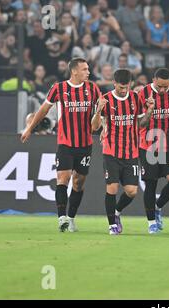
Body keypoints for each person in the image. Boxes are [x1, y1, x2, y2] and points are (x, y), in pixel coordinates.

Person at [21, 58, 105, 232]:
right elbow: (43, 109)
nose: (88, 72)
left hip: (85, 144)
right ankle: (61, 218)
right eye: (84, 69)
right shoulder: (59, 88)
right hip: (65, 143)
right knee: (63, 179)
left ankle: (72, 218)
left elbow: (102, 113)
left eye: (88, 69)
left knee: (78, 183)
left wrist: (105, 127)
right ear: (74, 71)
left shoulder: (93, 89)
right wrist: (30, 128)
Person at [91, 69, 140, 235]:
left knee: (131, 191)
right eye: (120, 87)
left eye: (126, 87)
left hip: (131, 151)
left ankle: (117, 212)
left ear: (130, 85)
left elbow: (143, 122)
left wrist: (148, 110)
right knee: (112, 188)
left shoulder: (136, 98)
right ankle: (112, 225)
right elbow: (94, 127)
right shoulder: (106, 100)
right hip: (111, 150)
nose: (123, 90)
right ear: (114, 84)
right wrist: (98, 111)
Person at [138, 68, 169, 234]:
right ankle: (151, 223)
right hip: (148, 145)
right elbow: (140, 125)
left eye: (166, 86)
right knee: (151, 183)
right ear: (153, 80)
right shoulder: (142, 94)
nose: (163, 90)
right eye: (159, 87)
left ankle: (157, 207)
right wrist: (150, 110)